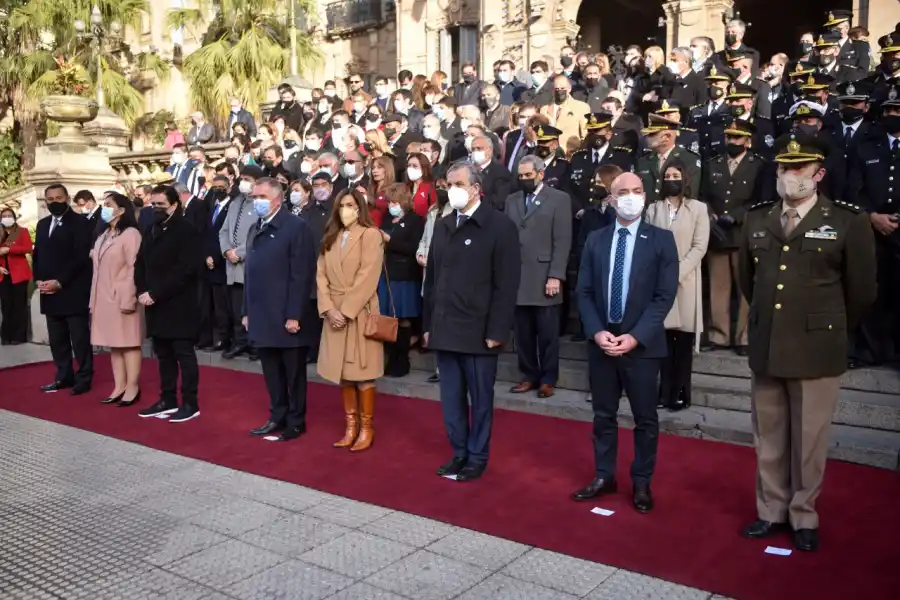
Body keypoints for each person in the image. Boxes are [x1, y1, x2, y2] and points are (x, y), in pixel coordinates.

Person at [737, 134, 877, 552]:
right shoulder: (757, 219)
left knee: (809, 438)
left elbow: (861, 290)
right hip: (767, 345)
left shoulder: (848, 221)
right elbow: (749, 281)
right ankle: (771, 510)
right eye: (783, 168)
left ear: (819, 174)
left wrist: (828, 326)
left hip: (817, 347)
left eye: (798, 168)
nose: (789, 176)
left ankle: (803, 515)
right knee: (770, 437)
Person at [572, 172, 678, 513]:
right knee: (603, 414)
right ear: (611, 199)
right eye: (623, 192)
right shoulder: (596, 239)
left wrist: (635, 337)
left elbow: (664, 296)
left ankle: (642, 481)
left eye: (637, 191)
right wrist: (596, 330)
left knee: (645, 418)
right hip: (603, 341)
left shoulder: (662, 240)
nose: (630, 197)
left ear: (645, 195)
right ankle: (605, 475)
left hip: (642, 345)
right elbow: (584, 291)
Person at [423, 163, 521, 482]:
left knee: (479, 400)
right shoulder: (444, 223)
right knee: (451, 400)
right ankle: (459, 452)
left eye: (459, 183)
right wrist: (428, 324)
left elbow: (506, 285)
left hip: (479, 331)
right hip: (445, 328)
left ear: (477, 187)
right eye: (448, 183)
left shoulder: (499, 226)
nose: (452, 189)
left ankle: (478, 455)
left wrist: (497, 330)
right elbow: (433, 278)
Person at [241, 178, 317, 441]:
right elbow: (249, 272)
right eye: (254, 197)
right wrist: (246, 310)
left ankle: (296, 420)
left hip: (286, 315)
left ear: (276, 199)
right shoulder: (255, 228)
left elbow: (302, 274)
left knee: (293, 373)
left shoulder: (296, 228)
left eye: (260, 196)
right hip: (261, 313)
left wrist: (294, 314)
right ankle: (277, 416)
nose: (256, 201)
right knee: (271, 372)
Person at [316, 189, 385, 452]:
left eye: (350, 204)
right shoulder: (330, 237)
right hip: (333, 311)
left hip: (360, 312)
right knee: (344, 374)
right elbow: (320, 276)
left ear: (360, 208)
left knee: (363, 373)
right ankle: (350, 426)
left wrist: (345, 311)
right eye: (342, 204)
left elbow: (368, 277)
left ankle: (367, 428)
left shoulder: (371, 235)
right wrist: (329, 309)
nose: (345, 209)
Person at [699, 119, 773, 355]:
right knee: (718, 286)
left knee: (744, 288)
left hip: (744, 232)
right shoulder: (713, 164)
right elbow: (704, 196)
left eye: (737, 138)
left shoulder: (759, 165)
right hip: (717, 233)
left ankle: (744, 337)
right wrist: (711, 216)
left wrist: (738, 215)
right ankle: (718, 335)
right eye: (729, 137)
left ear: (748, 141)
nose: (731, 141)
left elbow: (762, 200)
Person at [644, 161, 709, 410]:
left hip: (686, 281)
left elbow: (700, 246)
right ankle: (663, 393)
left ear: (685, 179)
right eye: (668, 175)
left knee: (682, 344)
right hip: (658, 282)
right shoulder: (653, 209)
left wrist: (677, 272)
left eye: (676, 175)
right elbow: (648, 241)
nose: (672, 178)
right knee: (662, 341)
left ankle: (681, 393)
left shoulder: (698, 209)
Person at [135, 185, 202, 422]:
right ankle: (168, 399)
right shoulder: (151, 229)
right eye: (153, 204)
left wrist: (156, 293)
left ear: (174, 205)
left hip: (179, 303)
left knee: (183, 353)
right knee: (162, 353)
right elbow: (140, 262)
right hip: (154, 303)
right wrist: (143, 290)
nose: (156, 209)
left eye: (160, 205)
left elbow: (185, 270)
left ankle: (190, 403)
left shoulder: (186, 230)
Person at [33, 184, 94, 395]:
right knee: (57, 339)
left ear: (67, 199)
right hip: (48, 292)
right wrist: (39, 280)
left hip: (72, 290)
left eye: (59, 198)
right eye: (50, 199)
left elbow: (80, 257)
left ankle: (84, 378)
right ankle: (63, 376)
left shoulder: (80, 224)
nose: (55, 202)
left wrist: (60, 281)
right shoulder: (42, 224)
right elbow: (38, 254)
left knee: (79, 338)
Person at [89, 192, 143, 407]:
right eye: (104, 204)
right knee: (115, 344)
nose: (105, 208)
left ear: (121, 210)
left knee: (129, 343)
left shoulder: (131, 234)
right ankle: (119, 385)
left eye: (109, 205)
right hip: (103, 297)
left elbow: (134, 268)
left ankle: (132, 386)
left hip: (122, 296)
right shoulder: (103, 235)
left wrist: (129, 296)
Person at [377, 184, 424, 377]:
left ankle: (402, 360)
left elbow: (413, 247)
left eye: (395, 202)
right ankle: (390, 358)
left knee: (403, 318)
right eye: (389, 202)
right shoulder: (387, 218)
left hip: (405, 275)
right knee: (387, 317)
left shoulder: (416, 221)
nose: (391, 205)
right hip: (386, 273)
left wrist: (389, 240)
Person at [219, 165, 264, 360]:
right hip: (232, 264)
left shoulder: (262, 204)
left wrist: (240, 253)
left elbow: (260, 233)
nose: (243, 183)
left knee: (253, 306)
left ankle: (256, 344)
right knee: (236, 306)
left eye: (248, 179)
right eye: (242, 178)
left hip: (250, 263)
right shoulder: (236, 202)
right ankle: (240, 342)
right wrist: (227, 250)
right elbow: (224, 231)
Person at [203, 177, 233, 351]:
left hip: (224, 261)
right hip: (211, 263)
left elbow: (225, 235)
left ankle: (226, 339)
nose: (217, 190)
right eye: (215, 187)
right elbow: (209, 233)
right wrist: (207, 255)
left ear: (228, 188)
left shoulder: (231, 206)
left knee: (225, 304)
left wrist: (215, 255)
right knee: (217, 305)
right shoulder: (214, 206)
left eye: (221, 187)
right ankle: (221, 337)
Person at [0, 207, 33, 345]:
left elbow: (28, 248)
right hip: (3, 275)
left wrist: (10, 249)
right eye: (4, 215)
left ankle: (19, 336)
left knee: (20, 305)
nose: (7, 217)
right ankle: (6, 336)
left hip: (19, 274)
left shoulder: (22, 231)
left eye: (9, 215)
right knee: (6, 306)